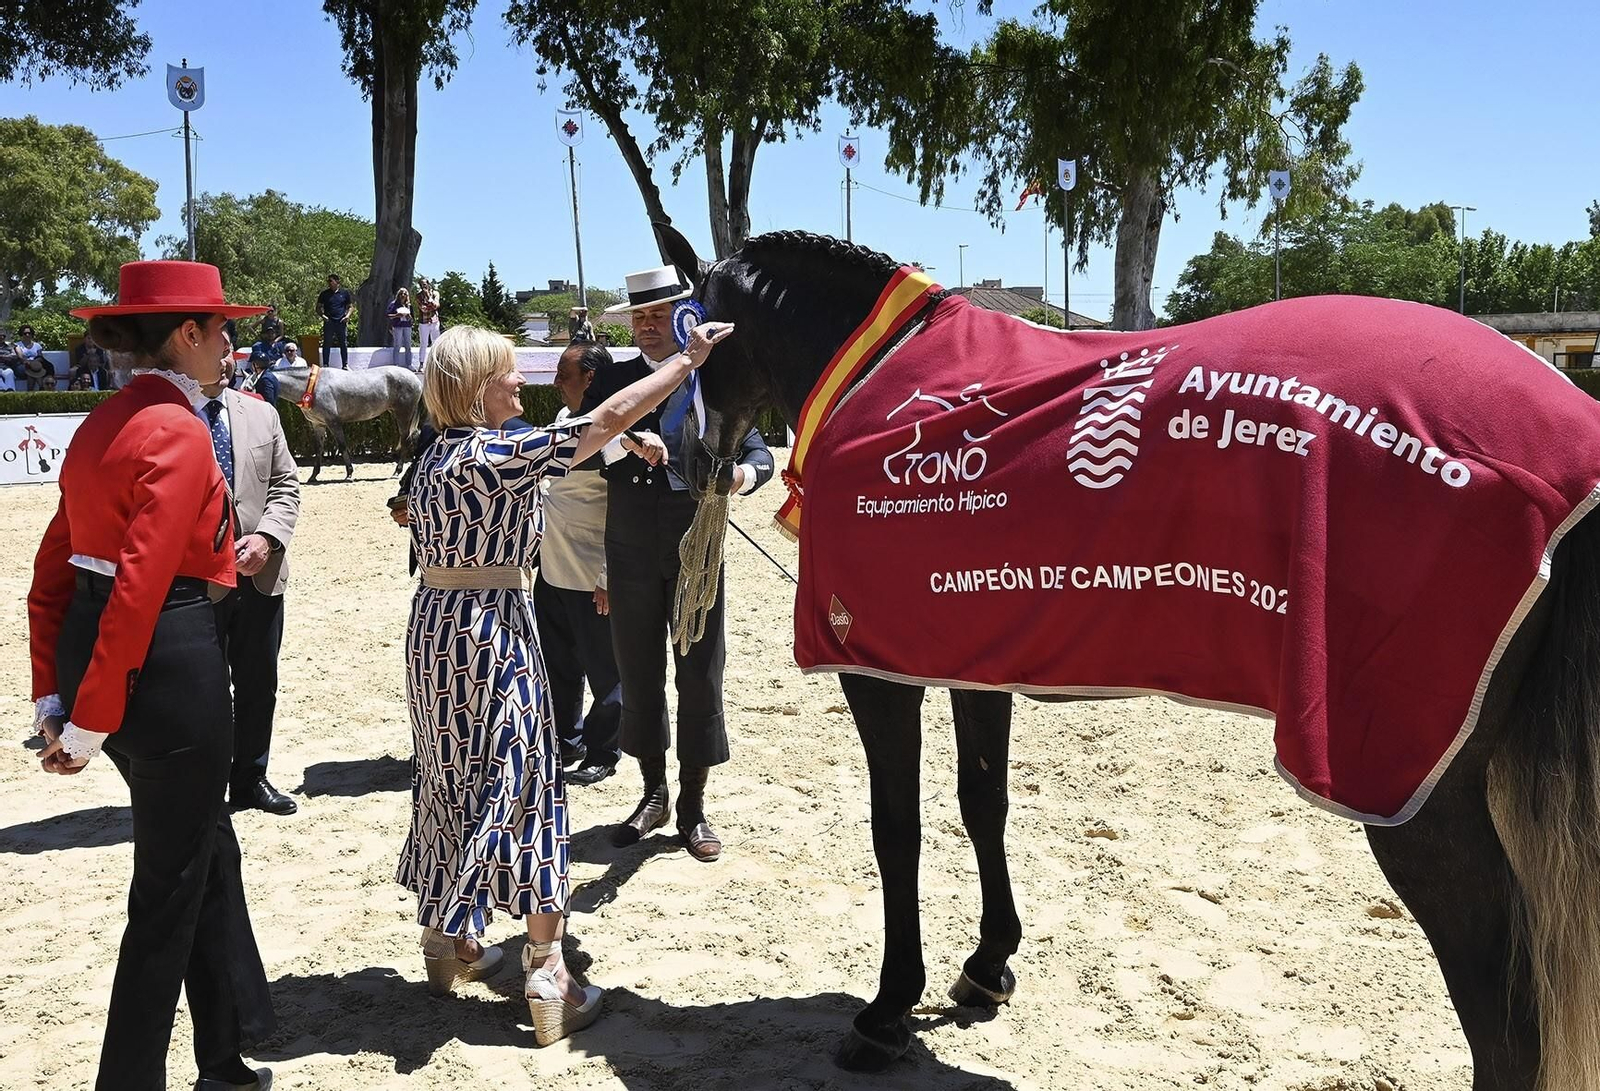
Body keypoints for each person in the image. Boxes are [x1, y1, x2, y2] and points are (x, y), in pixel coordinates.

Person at [398, 318, 732, 1045]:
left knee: (448, 775)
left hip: (432, 629)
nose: (523, 380)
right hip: (492, 627)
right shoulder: (504, 450)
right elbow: (607, 414)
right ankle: (548, 970)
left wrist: (620, 440)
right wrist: (687, 359)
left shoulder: (430, 459)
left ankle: (445, 940)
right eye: (508, 374)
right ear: (478, 387)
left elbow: (592, 440)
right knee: (526, 781)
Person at [28, 260, 276, 1091]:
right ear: (188, 333)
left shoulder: (100, 421)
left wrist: (55, 692)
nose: (231, 342)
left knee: (200, 848)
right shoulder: (175, 428)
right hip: (165, 665)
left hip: (106, 655)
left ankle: (225, 1058)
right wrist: (89, 715)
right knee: (166, 894)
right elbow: (141, 581)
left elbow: (53, 567)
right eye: (221, 327)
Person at [588, 265, 775, 862]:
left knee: (699, 667)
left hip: (698, 543)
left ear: (681, 317)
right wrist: (630, 442)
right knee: (636, 666)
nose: (645, 327)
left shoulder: (715, 383)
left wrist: (738, 477)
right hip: (630, 540)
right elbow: (584, 442)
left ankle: (693, 805)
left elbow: (758, 455)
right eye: (637, 317)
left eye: (655, 315)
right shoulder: (612, 382)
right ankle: (652, 793)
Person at [195, 350, 302, 816]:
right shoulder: (167, 417)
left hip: (261, 575)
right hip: (195, 582)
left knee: (259, 682)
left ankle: (251, 779)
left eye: (227, 349)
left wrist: (267, 538)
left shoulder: (262, 413)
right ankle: (204, 785)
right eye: (214, 348)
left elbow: (285, 485)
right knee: (203, 688)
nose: (223, 359)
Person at [538, 341, 623, 786]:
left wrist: (610, 576)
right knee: (559, 664)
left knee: (606, 669)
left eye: (563, 373)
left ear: (590, 377)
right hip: (551, 569)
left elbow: (624, 512)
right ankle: (565, 737)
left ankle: (603, 749)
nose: (555, 382)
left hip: (593, 574)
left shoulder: (614, 434)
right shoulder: (561, 423)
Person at [317, 273, 354, 368]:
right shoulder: (324, 294)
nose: (329, 283)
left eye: (331, 281)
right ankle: (325, 364)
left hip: (341, 322)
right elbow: (318, 307)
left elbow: (350, 307)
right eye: (328, 281)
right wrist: (323, 316)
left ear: (337, 282)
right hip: (329, 321)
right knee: (327, 343)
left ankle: (345, 364)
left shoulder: (344, 293)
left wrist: (347, 316)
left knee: (343, 343)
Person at [17, 325, 51, 390]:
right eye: (25, 333)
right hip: (23, 366)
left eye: (29, 333)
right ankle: (41, 387)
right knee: (32, 370)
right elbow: (20, 357)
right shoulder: (17, 345)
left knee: (34, 370)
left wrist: (34, 363)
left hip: (36, 365)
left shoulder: (37, 345)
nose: (27, 335)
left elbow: (40, 357)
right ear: (21, 334)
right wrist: (29, 363)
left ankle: (31, 391)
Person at [416, 277, 441, 365]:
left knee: (436, 342)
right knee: (424, 343)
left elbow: (437, 305)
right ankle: (421, 363)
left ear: (428, 284)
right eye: (422, 285)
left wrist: (429, 297)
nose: (424, 286)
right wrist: (431, 306)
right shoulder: (418, 296)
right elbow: (423, 309)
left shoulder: (435, 293)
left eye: (425, 284)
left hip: (434, 321)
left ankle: (436, 362)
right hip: (424, 322)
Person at [388, 287, 414, 369]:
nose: (403, 295)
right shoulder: (393, 304)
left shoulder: (409, 306)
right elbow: (388, 315)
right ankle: (396, 364)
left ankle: (409, 364)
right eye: (401, 294)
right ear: (398, 295)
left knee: (408, 345)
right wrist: (396, 315)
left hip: (407, 326)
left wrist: (409, 317)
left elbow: (413, 319)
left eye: (405, 294)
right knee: (397, 345)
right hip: (397, 326)